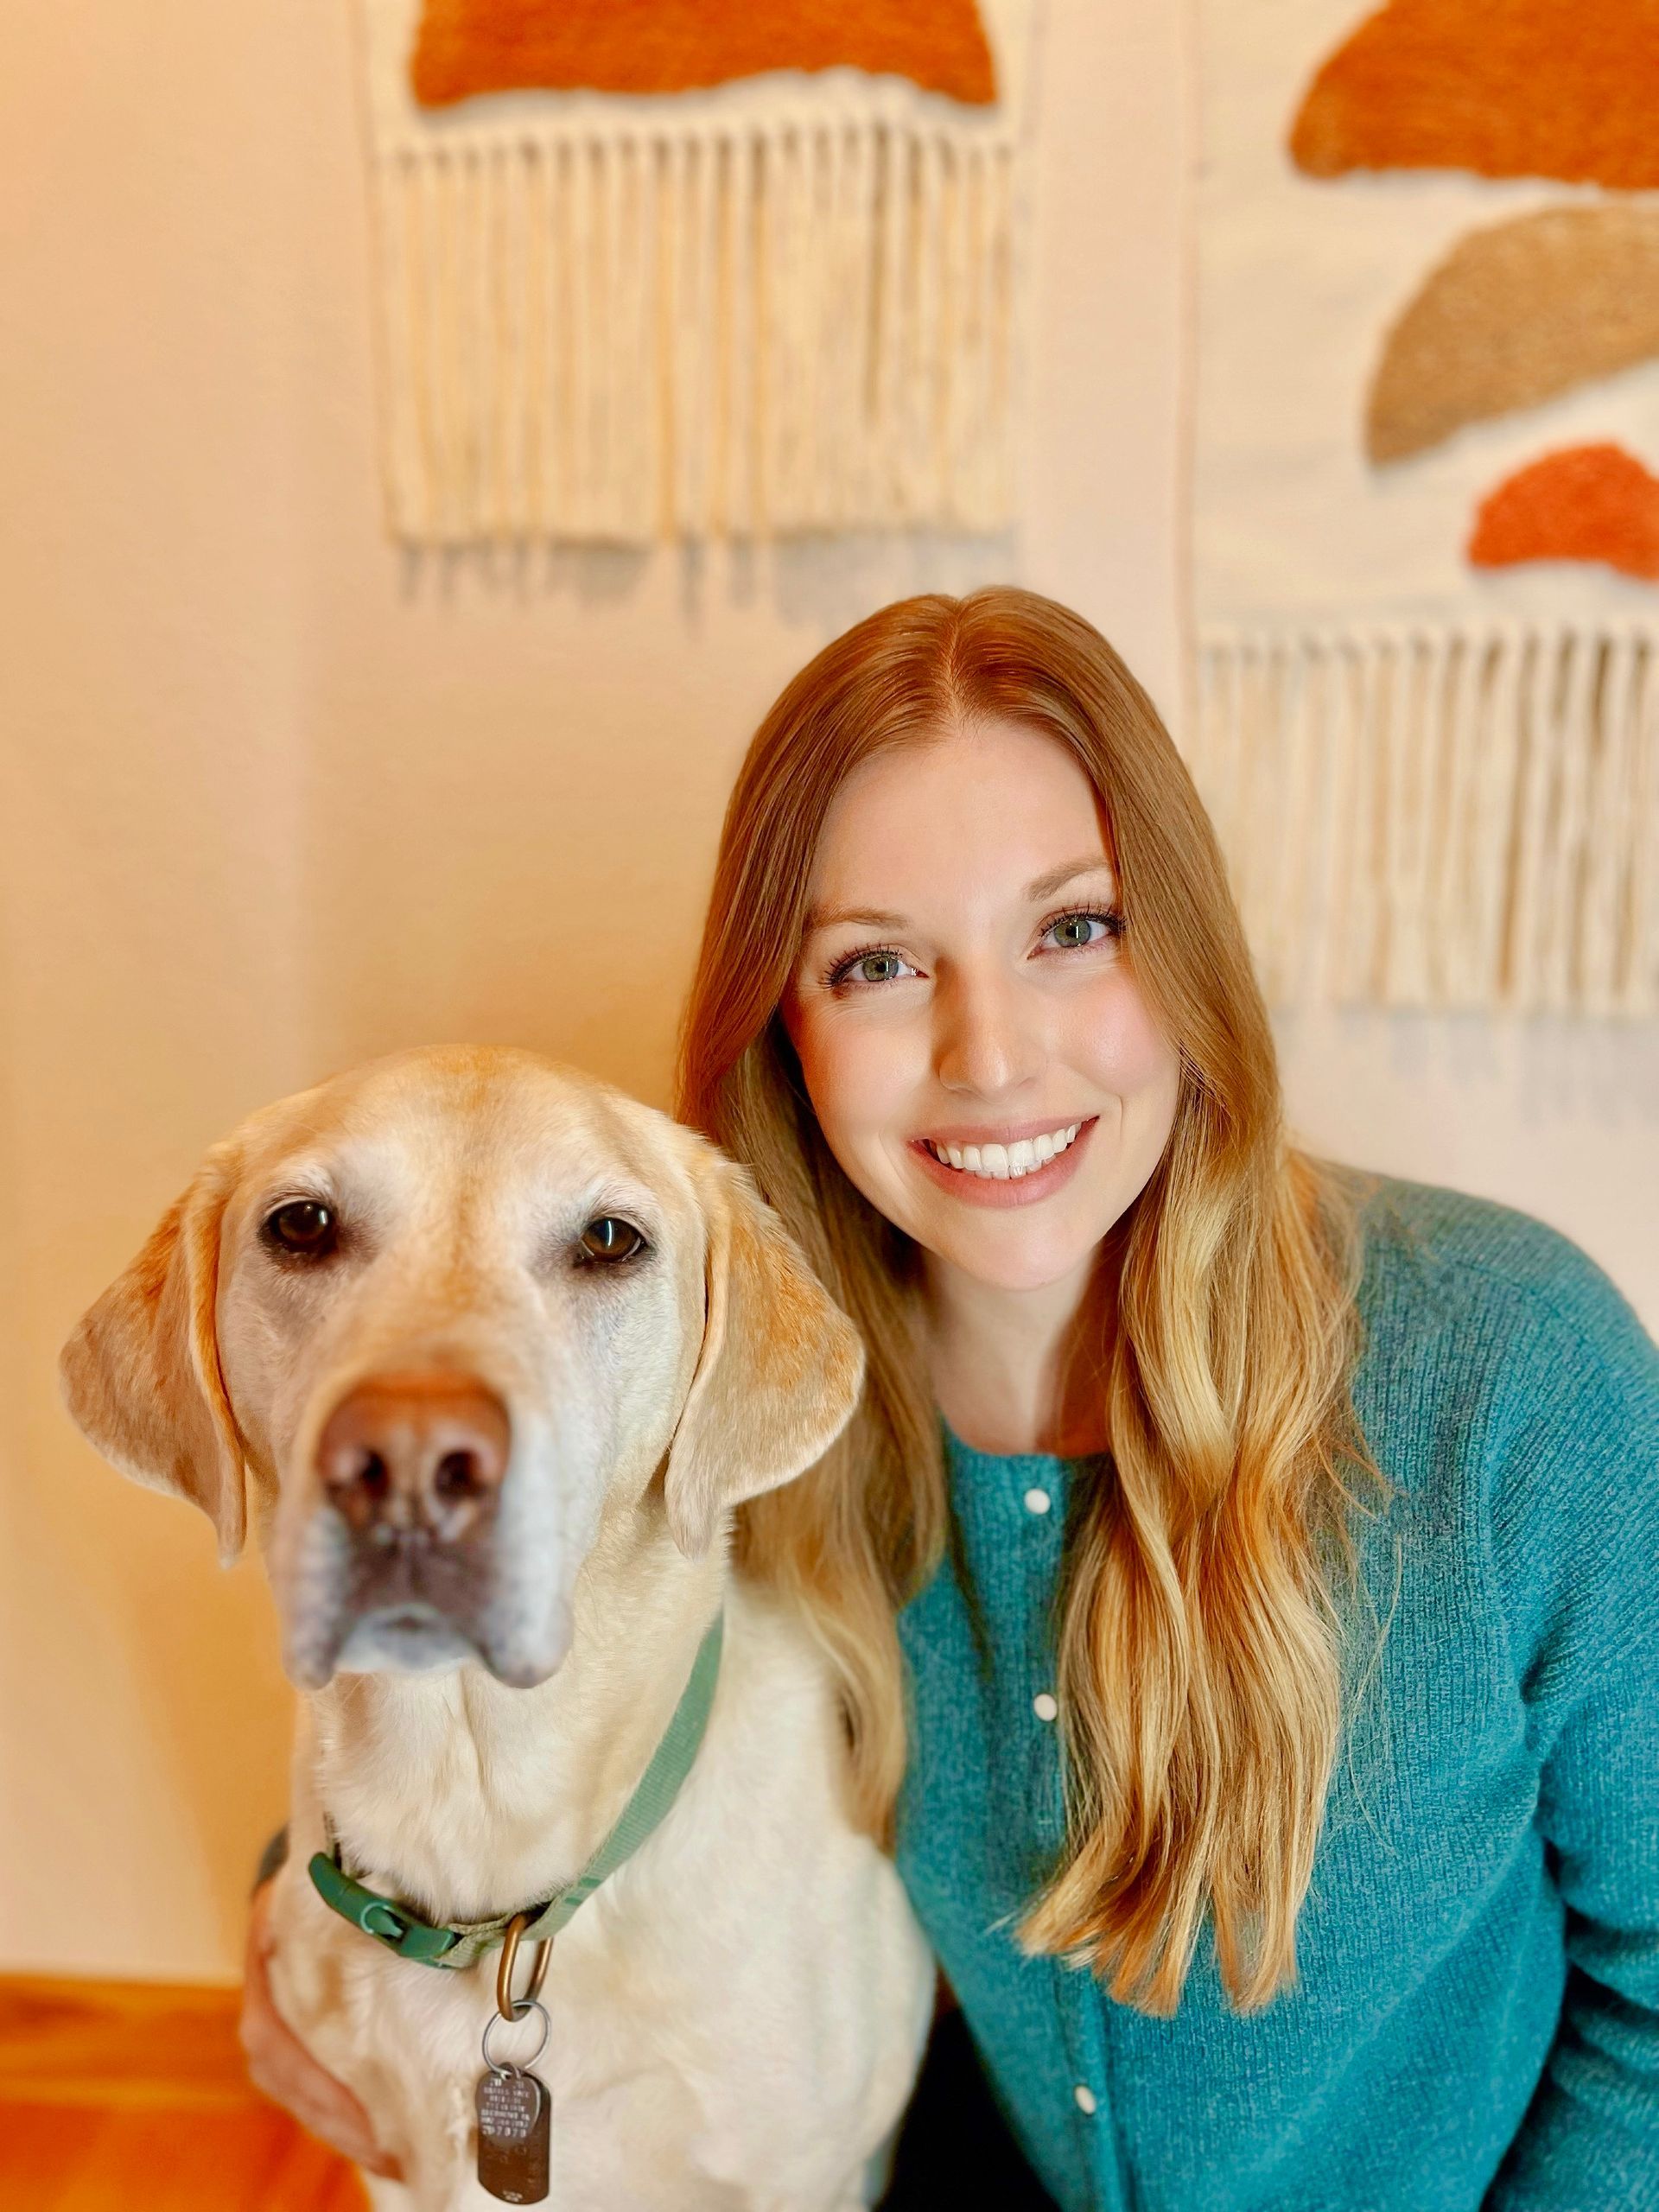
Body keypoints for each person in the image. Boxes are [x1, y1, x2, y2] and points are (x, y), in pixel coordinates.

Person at [240, 588, 1659, 2209]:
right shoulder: (737, 1398)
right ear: (786, 1028)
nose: (990, 1054)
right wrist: (314, 1901)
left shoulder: (1514, 1370)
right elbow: (506, 1681)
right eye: (877, 964)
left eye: (1074, 928)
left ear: (1187, 949)